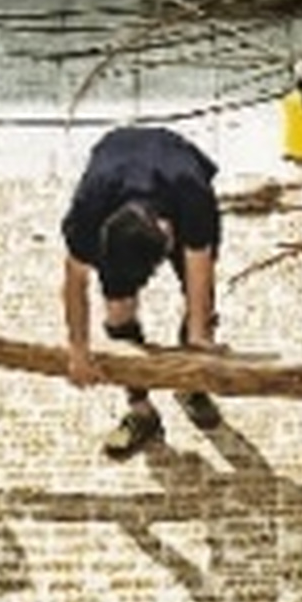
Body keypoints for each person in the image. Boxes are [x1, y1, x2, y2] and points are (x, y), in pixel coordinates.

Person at [61, 126, 224, 460]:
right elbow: (74, 283)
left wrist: (198, 341)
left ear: (167, 235)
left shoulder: (192, 196)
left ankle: (190, 386)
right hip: (114, 161)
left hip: (175, 162)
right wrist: (78, 350)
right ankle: (141, 410)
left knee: (201, 316)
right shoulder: (89, 211)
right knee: (118, 312)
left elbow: (199, 273)